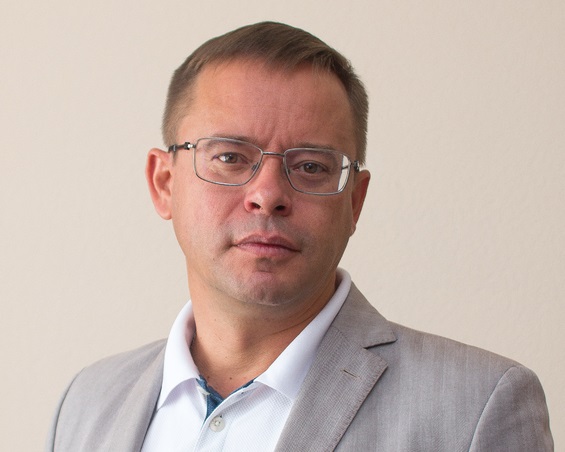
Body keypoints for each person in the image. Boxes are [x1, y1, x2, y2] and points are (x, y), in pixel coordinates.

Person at [46, 21, 553, 451]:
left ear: (354, 201)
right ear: (164, 183)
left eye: (310, 166)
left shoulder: (478, 408)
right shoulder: (87, 401)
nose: (268, 195)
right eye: (230, 157)